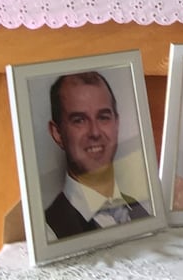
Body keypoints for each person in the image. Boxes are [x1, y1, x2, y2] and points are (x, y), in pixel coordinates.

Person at [45, 71, 150, 239]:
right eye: (79, 120)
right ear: (57, 133)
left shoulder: (145, 209)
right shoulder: (49, 232)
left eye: (103, 117)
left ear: (117, 123)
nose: (94, 132)